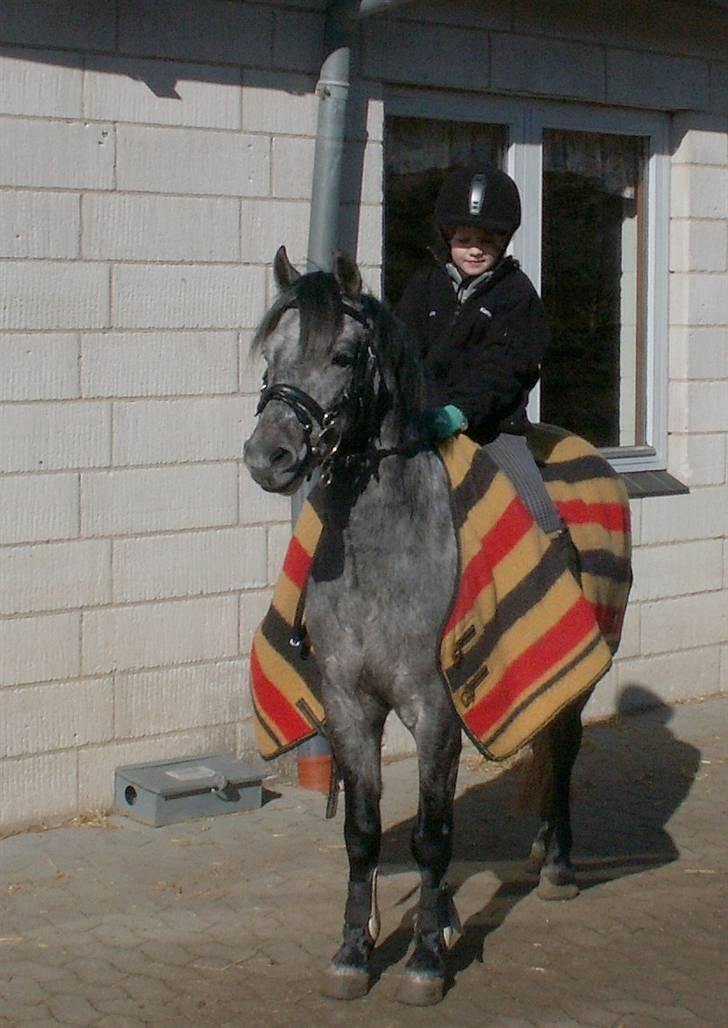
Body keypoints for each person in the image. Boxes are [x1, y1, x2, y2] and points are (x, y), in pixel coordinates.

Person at [396, 164, 562, 535]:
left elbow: (507, 369)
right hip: (421, 424)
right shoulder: (423, 288)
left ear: (503, 243)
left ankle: (558, 576)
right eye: (464, 240)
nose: (474, 250)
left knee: (537, 513)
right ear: (447, 238)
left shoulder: (517, 295)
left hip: (493, 428)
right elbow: (402, 352)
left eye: (486, 241)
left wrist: (458, 413)